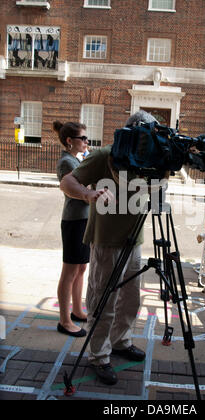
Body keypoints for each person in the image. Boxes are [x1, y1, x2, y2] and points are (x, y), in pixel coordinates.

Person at [60, 110, 158, 386]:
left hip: (134, 239)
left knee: (130, 298)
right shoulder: (105, 155)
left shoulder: (149, 158)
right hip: (106, 239)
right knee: (104, 299)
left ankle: (121, 341)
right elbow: (68, 181)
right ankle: (99, 356)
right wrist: (88, 194)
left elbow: (155, 192)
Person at [54, 120, 90, 338]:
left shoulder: (76, 159)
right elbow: (83, 189)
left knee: (81, 268)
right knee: (69, 271)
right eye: (82, 138)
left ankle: (77, 310)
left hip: (83, 219)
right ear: (70, 141)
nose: (86, 142)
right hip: (74, 221)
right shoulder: (67, 162)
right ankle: (64, 321)